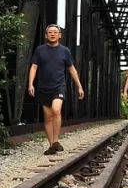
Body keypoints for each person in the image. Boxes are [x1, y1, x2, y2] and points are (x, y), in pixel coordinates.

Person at [27, 24, 85, 156]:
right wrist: (31, 84)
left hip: (59, 86)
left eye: (55, 32)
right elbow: (34, 67)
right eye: (50, 32)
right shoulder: (40, 50)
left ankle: (56, 140)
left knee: (56, 110)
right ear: (46, 35)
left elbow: (71, 69)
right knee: (48, 118)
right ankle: (52, 145)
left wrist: (79, 86)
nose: (52, 34)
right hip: (43, 87)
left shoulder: (65, 51)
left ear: (60, 35)